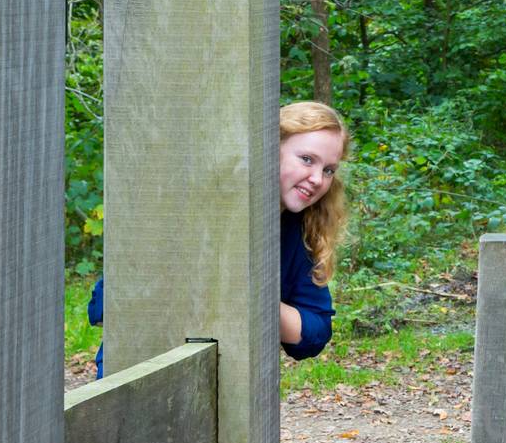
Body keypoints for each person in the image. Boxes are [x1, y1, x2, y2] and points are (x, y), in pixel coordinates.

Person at [90, 101, 350, 375]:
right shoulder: (203, 207)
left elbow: (316, 330)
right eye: (307, 159)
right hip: (138, 372)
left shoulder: (300, 230)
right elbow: (105, 303)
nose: (317, 179)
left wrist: (251, 301)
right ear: (271, 150)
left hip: (227, 382)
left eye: (328, 170)